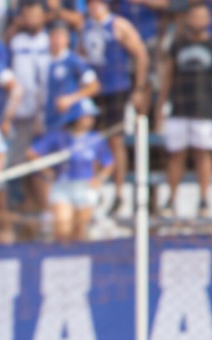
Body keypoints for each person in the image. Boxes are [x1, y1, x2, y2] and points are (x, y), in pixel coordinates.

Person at [80, 0, 148, 216]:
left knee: (115, 140)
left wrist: (138, 88)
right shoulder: (86, 27)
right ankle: (95, 190)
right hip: (94, 90)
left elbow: (140, 54)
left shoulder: (118, 24)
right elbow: (80, 56)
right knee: (91, 140)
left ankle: (119, 193)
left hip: (116, 88)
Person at [28, 99, 112, 243]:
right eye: (86, 116)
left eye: (91, 116)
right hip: (63, 186)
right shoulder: (60, 137)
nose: (89, 120)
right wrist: (47, 171)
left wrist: (100, 179)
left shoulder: (96, 139)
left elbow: (108, 162)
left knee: (80, 230)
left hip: (85, 187)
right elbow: (32, 152)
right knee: (62, 229)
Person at [157, 4, 212, 219]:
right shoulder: (177, 44)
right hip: (179, 106)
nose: (198, 20)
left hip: (206, 108)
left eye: (202, 16)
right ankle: (171, 198)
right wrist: (161, 106)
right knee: (175, 154)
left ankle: (204, 198)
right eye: (195, 16)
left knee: (202, 153)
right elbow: (167, 76)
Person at [8, 1, 51, 215]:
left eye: (36, 14)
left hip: (47, 112)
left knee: (44, 161)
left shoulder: (50, 41)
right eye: (28, 15)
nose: (32, 19)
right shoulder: (16, 41)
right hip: (21, 113)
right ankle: (30, 209)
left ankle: (46, 211)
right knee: (21, 162)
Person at [43, 20, 100, 132]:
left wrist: (70, 99)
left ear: (67, 39)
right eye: (54, 36)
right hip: (49, 117)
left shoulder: (74, 61)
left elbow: (94, 86)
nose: (57, 40)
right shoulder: (43, 61)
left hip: (70, 117)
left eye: (61, 36)